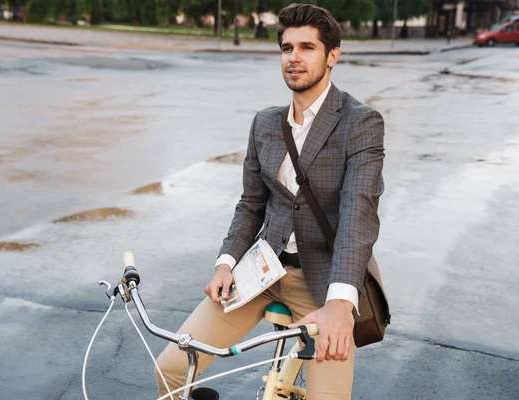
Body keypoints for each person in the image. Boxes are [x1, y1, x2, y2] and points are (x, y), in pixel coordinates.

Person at [156, 3, 385, 399]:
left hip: (323, 281)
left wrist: (339, 304)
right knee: (172, 370)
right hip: (260, 271)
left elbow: (357, 214)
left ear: (332, 56)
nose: (294, 57)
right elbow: (250, 204)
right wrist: (226, 263)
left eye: (307, 48)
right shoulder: (265, 123)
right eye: (286, 48)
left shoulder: (360, 122)